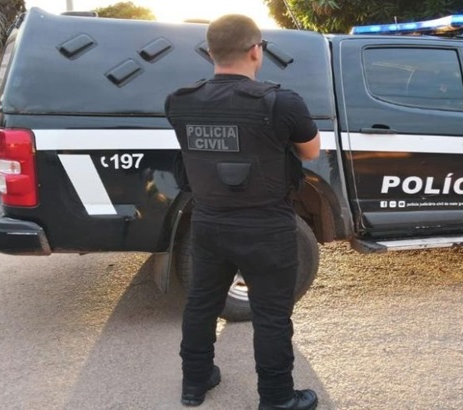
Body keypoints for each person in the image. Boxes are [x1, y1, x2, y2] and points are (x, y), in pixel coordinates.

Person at [164, 14, 321, 410]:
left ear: (209, 52)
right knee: (271, 314)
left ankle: (194, 383)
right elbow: (311, 151)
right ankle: (277, 398)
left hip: (209, 222)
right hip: (266, 227)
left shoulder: (179, 101)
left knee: (201, 303)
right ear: (256, 50)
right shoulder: (282, 102)